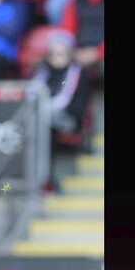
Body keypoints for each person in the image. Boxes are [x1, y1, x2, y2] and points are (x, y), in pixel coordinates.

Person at [31, 30, 93, 194]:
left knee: (44, 131)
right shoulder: (43, 73)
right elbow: (31, 96)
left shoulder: (79, 74)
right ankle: (39, 181)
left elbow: (78, 106)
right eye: (54, 54)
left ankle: (49, 181)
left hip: (68, 119)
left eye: (61, 53)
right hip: (42, 119)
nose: (57, 58)